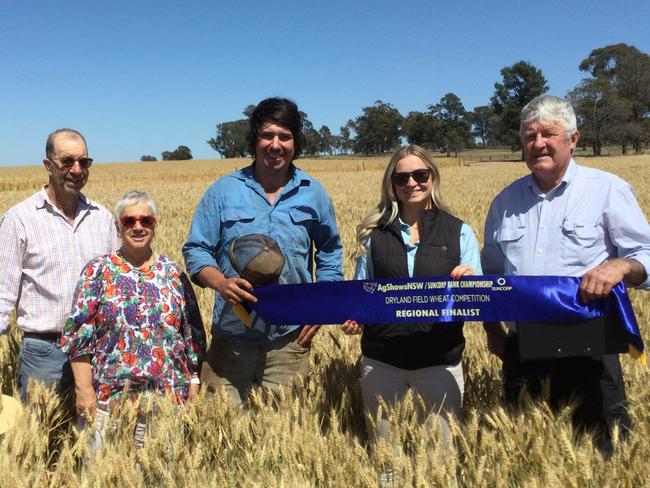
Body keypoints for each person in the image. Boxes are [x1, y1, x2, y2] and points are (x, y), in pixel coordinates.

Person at [481, 95, 650, 456]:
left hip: (590, 348)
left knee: (604, 452)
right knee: (525, 457)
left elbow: (645, 256)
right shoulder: (504, 203)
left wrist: (620, 267)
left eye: (548, 134)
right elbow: (491, 277)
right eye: (530, 136)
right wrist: (493, 330)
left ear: (573, 139)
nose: (538, 143)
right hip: (523, 351)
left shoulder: (607, 189)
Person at [183, 97, 343, 405]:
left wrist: (324, 304)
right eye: (267, 135)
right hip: (231, 342)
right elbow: (196, 249)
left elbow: (330, 251)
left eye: (284, 136)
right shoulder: (224, 191)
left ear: (296, 142)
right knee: (222, 435)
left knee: (286, 435)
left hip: (289, 343)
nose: (275, 144)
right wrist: (221, 283)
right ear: (254, 141)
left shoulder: (314, 193)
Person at [342, 144, 481, 447]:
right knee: (384, 460)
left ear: (433, 176)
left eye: (420, 174)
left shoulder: (460, 233)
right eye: (401, 177)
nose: (411, 183)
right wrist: (355, 318)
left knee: (439, 460)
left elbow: (478, 300)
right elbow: (361, 291)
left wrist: (470, 284)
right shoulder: (373, 235)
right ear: (391, 184)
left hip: (439, 363)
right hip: (382, 363)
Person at [61, 191, 205, 447]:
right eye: (129, 221)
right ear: (118, 226)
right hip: (108, 400)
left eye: (145, 220)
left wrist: (193, 382)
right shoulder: (98, 271)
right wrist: (84, 390)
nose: (138, 227)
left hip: (166, 400)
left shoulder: (173, 273)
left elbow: (191, 333)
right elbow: (78, 334)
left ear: (154, 223)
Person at [0, 129, 119, 401]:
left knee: (94, 439)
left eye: (84, 162)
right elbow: (2, 293)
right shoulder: (19, 219)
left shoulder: (102, 218)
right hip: (44, 353)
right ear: (47, 165)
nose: (77, 170)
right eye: (67, 162)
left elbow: (117, 284)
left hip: (97, 350)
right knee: (41, 437)